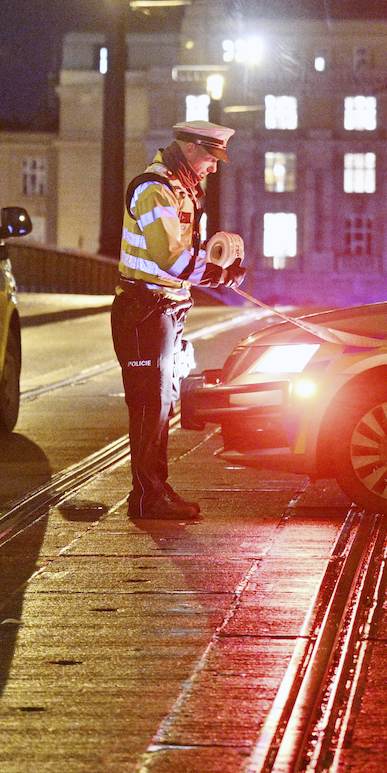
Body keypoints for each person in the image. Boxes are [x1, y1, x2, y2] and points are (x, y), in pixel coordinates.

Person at [113, 120, 245, 521]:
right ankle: (147, 497)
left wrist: (220, 267)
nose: (214, 167)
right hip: (145, 309)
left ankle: (154, 490)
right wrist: (218, 275)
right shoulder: (155, 189)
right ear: (189, 149)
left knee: (161, 403)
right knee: (150, 405)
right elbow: (169, 258)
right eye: (211, 157)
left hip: (163, 309)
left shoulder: (179, 188)